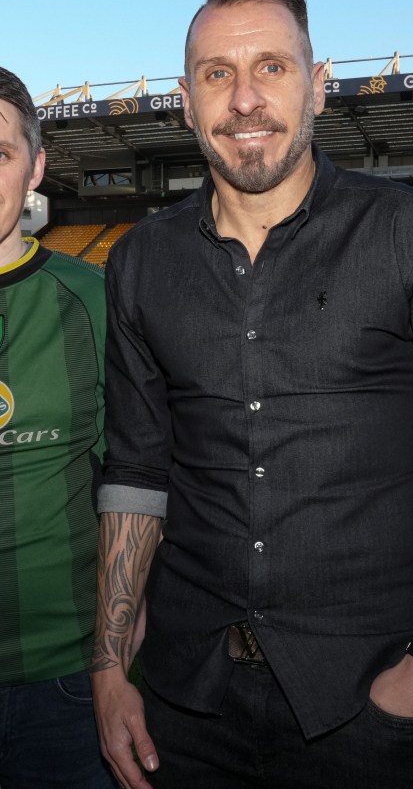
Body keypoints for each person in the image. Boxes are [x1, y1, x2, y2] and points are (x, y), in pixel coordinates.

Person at [91, 0, 413, 789]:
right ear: (186, 102)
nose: (245, 99)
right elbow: (135, 472)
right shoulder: (139, 262)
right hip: (187, 706)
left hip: (371, 704)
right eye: (217, 74)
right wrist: (112, 667)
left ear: (319, 86)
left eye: (272, 66)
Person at [0, 67, 116, 788]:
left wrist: (121, 647)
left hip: (65, 684)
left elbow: (149, 487)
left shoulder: (95, 302)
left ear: (36, 166)